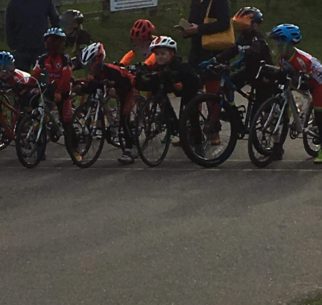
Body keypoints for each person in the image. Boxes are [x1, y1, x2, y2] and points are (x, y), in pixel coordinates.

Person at [199, 7, 273, 143]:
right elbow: (233, 50)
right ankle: (233, 113)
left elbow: (253, 53)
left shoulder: (258, 39)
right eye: (239, 26)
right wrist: (214, 60)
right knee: (228, 85)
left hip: (263, 73)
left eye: (244, 25)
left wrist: (236, 61)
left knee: (260, 105)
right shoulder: (243, 37)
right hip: (248, 71)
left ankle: (271, 139)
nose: (241, 29)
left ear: (255, 24)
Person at [269, 24, 322, 163]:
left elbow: (310, 79)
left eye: (280, 42)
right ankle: (298, 113)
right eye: (276, 42)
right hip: (302, 81)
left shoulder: (302, 59)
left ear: (289, 44)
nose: (277, 46)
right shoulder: (282, 57)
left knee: (319, 113)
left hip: (318, 84)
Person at [78, 42, 136, 164]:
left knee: (124, 117)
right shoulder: (95, 73)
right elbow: (89, 88)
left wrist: (114, 87)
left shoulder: (112, 71)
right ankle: (110, 123)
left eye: (91, 64)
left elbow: (126, 84)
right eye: (87, 66)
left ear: (98, 61)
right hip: (115, 89)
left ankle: (129, 150)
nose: (90, 68)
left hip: (128, 87)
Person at [136, 36, 201, 139]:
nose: (159, 56)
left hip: (189, 86)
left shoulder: (179, 65)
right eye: (157, 54)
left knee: (190, 111)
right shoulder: (160, 66)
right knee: (158, 89)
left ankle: (197, 139)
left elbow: (190, 80)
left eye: (163, 53)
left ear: (172, 54)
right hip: (174, 87)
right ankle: (172, 123)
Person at [30, 27, 76, 159]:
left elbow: (66, 77)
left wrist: (59, 92)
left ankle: (74, 149)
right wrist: (30, 85)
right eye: (50, 41)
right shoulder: (42, 59)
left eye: (57, 41)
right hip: (47, 90)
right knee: (40, 117)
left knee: (66, 120)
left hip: (63, 92)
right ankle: (40, 150)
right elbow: (36, 73)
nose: (53, 44)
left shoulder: (64, 59)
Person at [6, 0, 60, 72]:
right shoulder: (14, 3)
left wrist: (54, 40)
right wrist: (12, 44)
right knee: (21, 78)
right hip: (22, 48)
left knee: (44, 76)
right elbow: (9, 25)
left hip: (41, 47)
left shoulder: (45, 2)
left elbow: (55, 20)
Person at [184, 0, 231, 69]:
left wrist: (199, 29)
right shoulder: (195, 2)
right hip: (196, 48)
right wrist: (187, 31)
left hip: (214, 47)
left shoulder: (219, 2)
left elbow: (224, 24)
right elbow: (193, 22)